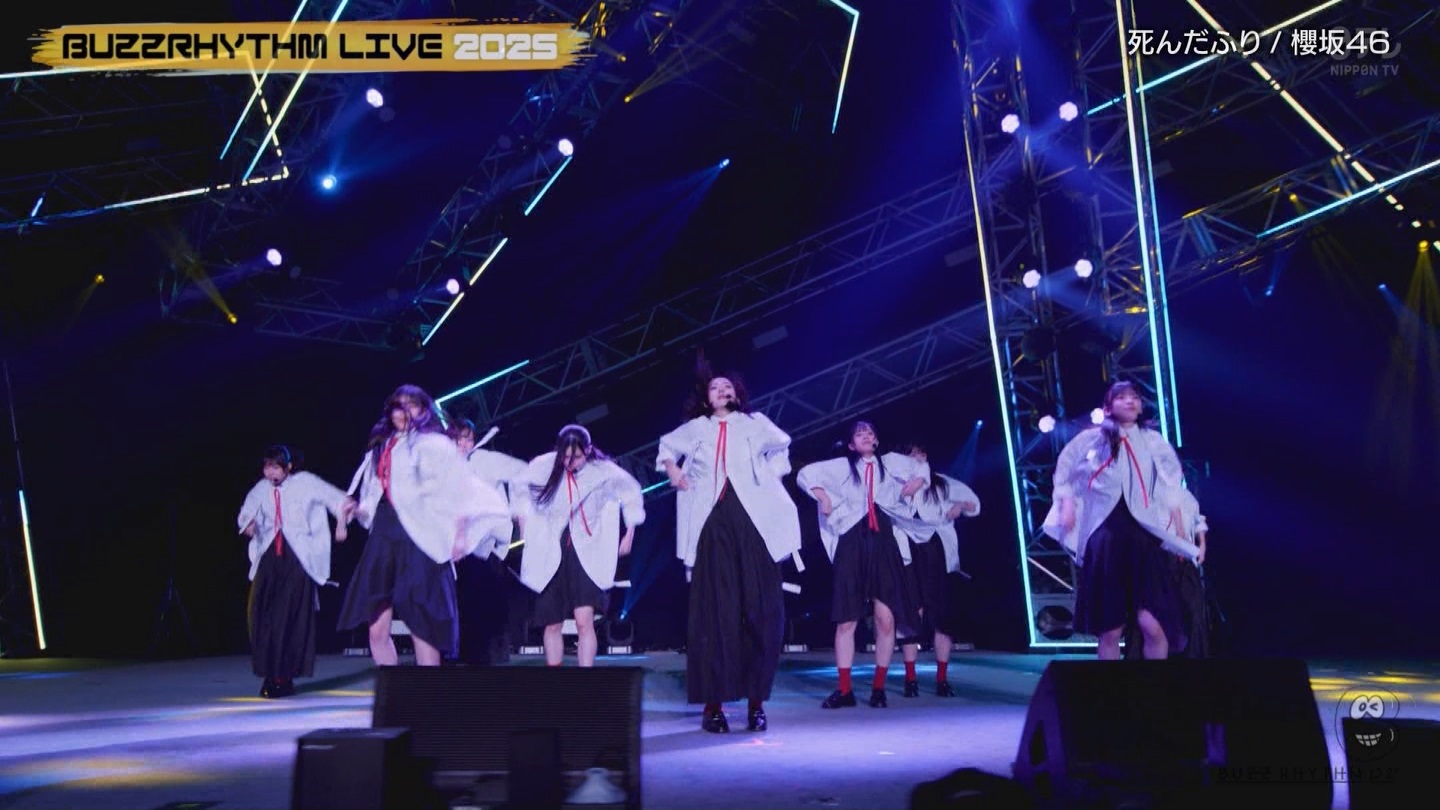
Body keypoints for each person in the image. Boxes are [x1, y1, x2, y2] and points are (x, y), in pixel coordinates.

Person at [657, 362, 802, 733]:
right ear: (707, 399)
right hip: (712, 522)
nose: (722, 390)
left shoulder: (755, 423)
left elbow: (782, 447)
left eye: (727, 386)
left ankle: (756, 704)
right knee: (714, 614)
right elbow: (667, 446)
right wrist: (674, 471)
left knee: (762, 610)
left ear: (736, 394)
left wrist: (768, 477)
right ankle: (713, 706)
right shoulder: (697, 428)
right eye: (715, 387)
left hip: (753, 522)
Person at [337, 385, 512, 667]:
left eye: (412, 405)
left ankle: (426, 690)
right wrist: (357, 509)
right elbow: (373, 495)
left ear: (423, 411)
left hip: (421, 536)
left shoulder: (434, 445)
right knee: (376, 630)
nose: (405, 412)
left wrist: (458, 535)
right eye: (399, 406)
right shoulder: (381, 446)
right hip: (384, 535)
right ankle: (395, 687)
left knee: (423, 626)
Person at [1043, 381, 1197, 660]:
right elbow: (1065, 469)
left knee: (1153, 626)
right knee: (1110, 630)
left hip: (1143, 537)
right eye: (1122, 397)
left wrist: (1179, 528)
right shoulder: (1093, 439)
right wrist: (1066, 504)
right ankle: (1111, 685)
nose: (1130, 401)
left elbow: (1172, 482)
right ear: (1108, 407)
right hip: (1106, 537)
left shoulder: (1152, 440)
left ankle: (1155, 685)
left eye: (1134, 397)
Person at [797, 421, 928, 709]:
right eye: (859, 434)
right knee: (847, 620)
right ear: (851, 445)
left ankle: (878, 688)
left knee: (886, 619)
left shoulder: (890, 463)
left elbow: (921, 467)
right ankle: (845, 690)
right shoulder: (841, 467)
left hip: (883, 540)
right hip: (852, 540)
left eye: (870, 433)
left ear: (876, 440)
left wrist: (918, 482)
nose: (866, 436)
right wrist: (822, 495)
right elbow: (805, 475)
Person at [514, 425, 644, 668]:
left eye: (576, 456)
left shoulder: (602, 471)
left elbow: (631, 492)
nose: (569, 462)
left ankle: (585, 678)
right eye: (565, 456)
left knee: (584, 621)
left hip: (586, 550)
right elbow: (519, 487)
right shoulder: (544, 465)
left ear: (589, 450)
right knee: (552, 622)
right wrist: (523, 523)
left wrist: (629, 533)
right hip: (552, 548)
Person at [237, 444, 354, 697]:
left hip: (298, 556)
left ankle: (283, 676)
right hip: (270, 556)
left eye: (276, 467)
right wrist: (249, 524)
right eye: (267, 467)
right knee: (261, 613)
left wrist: (341, 524)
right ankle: (270, 674)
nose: (270, 473)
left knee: (289, 617)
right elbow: (246, 513)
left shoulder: (305, 482)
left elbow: (338, 500)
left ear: (288, 467)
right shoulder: (261, 488)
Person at [889, 442, 980, 698]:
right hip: (908, 551)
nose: (916, 459)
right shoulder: (895, 485)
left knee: (942, 615)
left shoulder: (942, 483)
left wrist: (960, 507)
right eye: (910, 455)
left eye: (920, 454)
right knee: (911, 613)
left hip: (937, 549)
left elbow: (973, 502)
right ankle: (910, 679)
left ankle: (942, 679)